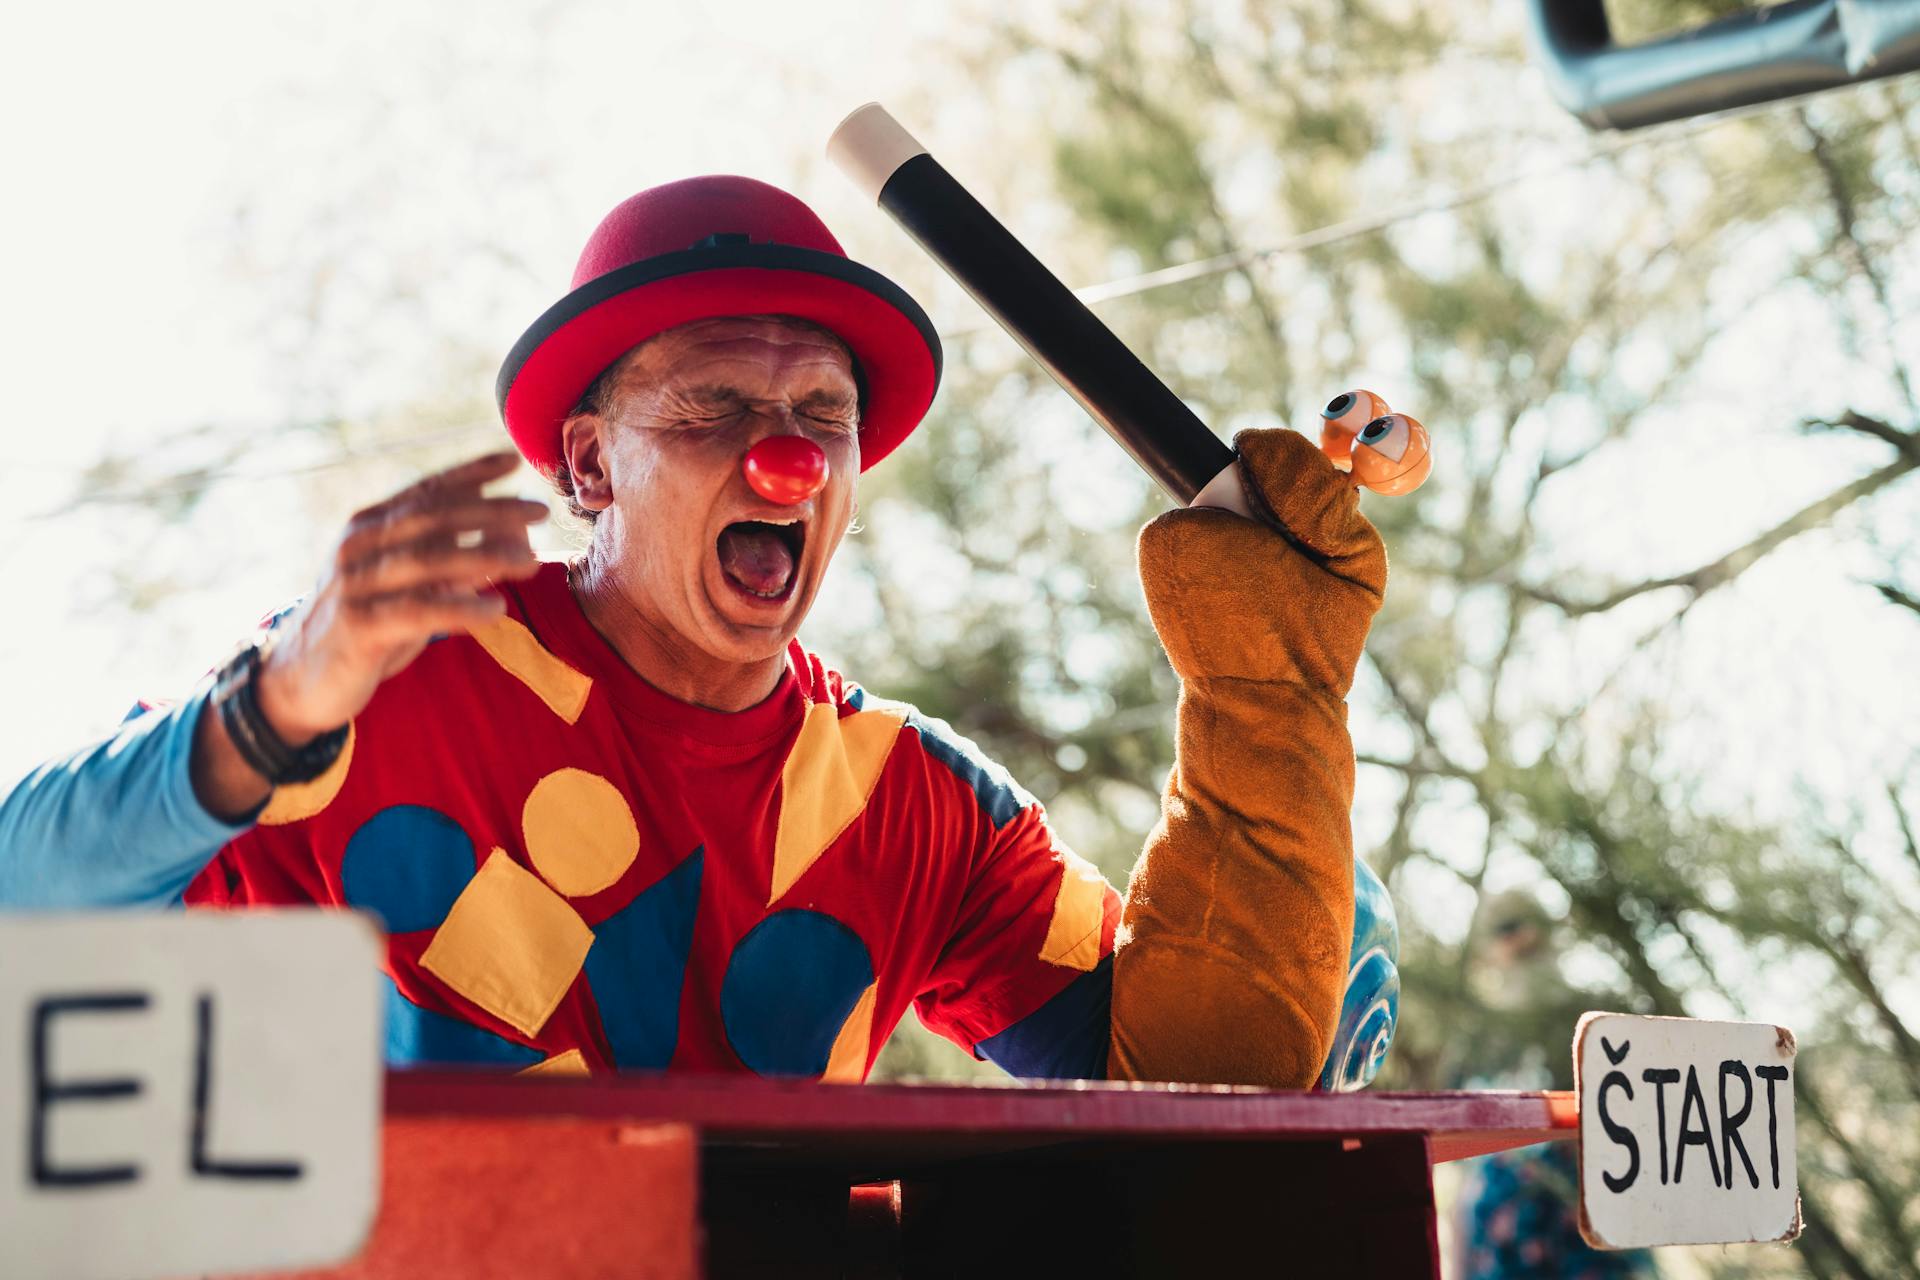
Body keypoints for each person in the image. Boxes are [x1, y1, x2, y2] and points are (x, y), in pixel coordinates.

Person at [0, 175, 1394, 1086]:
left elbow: (1204, 1096)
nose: (782, 457)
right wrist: (272, 710)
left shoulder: (915, 805)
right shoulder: (380, 689)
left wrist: (1267, 690)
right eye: (713, 409)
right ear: (592, 470)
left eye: (821, 418)